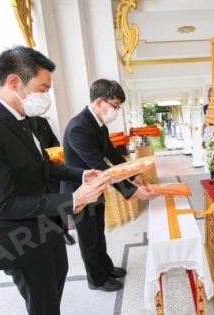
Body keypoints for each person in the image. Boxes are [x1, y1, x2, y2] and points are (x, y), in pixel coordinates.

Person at [0, 45, 110, 315]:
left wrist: (82, 174)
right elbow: (3, 204)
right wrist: (73, 198)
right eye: (42, 89)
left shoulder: (25, 120)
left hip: (46, 226)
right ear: (14, 82)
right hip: (17, 239)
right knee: (43, 305)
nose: (46, 96)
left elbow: (43, 166)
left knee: (56, 284)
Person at [61, 78, 152, 292]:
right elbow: (100, 166)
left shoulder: (98, 124)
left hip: (96, 189)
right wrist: (132, 191)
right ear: (100, 102)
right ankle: (96, 279)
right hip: (79, 193)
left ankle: (106, 267)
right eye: (115, 105)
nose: (116, 111)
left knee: (98, 232)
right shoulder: (78, 127)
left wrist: (135, 176)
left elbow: (112, 154)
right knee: (89, 239)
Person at [31, 116, 76, 246]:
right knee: (43, 206)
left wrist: (55, 155)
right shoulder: (17, 124)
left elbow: (54, 141)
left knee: (58, 204)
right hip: (35, 174)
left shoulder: (43, 121)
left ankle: (64, 232)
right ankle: (48, 234)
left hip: (52, 171)